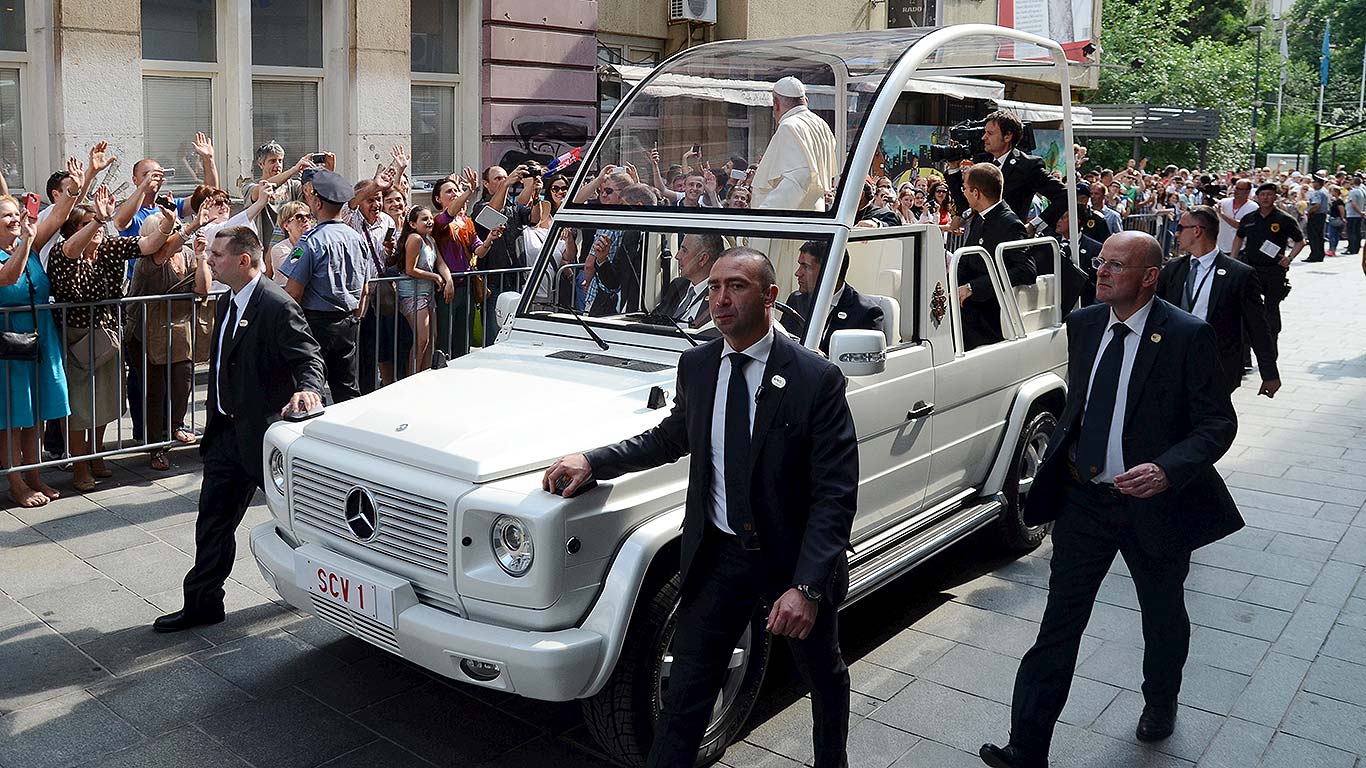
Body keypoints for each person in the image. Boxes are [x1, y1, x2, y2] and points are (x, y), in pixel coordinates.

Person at [542, 246, 858, 768]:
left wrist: (806, 587)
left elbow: (835, 493)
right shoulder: (698, 364)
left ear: (771, 296)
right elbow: (670, 438)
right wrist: (593, 461)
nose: (720, 298)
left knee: (823, 675)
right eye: (713, 287)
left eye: (737, 286)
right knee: (686, 693)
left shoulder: (813, 379)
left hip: (791, 560)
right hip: (718, 557)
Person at [979, 232, 1242, 768]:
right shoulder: (1084, 324)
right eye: (1100, 262)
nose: (1100, 272)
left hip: (1155, 507)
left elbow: (1218, 422)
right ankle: (1026, 748)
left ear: (1149, 277)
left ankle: (1160, 699)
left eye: (1115, 266)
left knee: (1163, 612)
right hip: (1085, 501)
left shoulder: (1188, 335)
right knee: (1059, 624)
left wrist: (1168, 470)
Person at [155, 225, 324, 633]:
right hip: (225, 435)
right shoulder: (230, 300)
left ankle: (330, 594)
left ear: (243, 260)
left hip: (265, 438)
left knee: (306, 523)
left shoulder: (275, 304)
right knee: (212, 520)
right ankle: (203, 603)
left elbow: (308, 358)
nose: (209, 259)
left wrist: (308, 390)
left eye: (217, 254)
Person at [50, 187, 171, 490]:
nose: (98, 228)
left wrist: (168, 223)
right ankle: (79, 468)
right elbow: (71, 251)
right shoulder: (63, 252)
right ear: (72, 230)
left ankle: (96, 454)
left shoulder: (108, 248)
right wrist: (98, 218)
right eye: (87, 224)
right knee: (79, 406)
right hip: (75, 336)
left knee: (104, 400)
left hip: (106, 334)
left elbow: (148, 244)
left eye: (99, 224)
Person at [1161, 206, 1280, 397]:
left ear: (1197, 230)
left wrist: (1269, 373)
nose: (1176, 233)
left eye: (1181, 227)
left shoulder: (1239, 274)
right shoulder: (1173, 269)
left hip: (1217, 366)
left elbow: (1257, 325)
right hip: (1175, 362)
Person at [129, 209, 213, 471]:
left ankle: (175, 425)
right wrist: (191, 225)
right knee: (155, 390)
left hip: (177, 330)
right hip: (145, 331)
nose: (178, 234)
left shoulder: (186, 254)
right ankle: (156, 447)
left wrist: (200, 257)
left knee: (183, 380)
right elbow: (162, 252)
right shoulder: (147, 261)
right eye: (170, 230)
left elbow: (203, 289)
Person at [281, 169, 373, 404]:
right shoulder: (357, 238)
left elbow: (292, 291)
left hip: (316, 323)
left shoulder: (309, 241)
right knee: (347, 389)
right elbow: (365, 288)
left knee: (311, 387)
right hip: (348, 322)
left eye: (311, 197)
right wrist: (355, 317)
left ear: (318, 202)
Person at [0, 198, 69, 507]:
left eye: (17, 213)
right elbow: (8, 278)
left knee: (35, 411)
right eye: (6, 216)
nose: (15, 219)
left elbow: (58, 216)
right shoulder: (21, 246)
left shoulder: (30, 242)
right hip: (8, 341)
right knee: (12, 416)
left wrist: (82, 183)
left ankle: (35, 475)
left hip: (39, 337)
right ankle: (16, 482)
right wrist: (27, 240)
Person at [946, 111, 1069, 231]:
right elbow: (966, 204)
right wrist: (954, 169)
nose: (984, 138)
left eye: (990, 133)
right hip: (978, 242)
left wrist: (1034, 226)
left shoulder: (1027, 166)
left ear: (1007, 136)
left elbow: (1064, 195)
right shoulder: (983, 163)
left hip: (1007, 242)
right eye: (984, 133)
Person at [958, 163, 1037, 350]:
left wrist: (973, 288)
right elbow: (968, 260)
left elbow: (1026, 270)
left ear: (976, 193)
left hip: (988, 318)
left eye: (965, 189)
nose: (964, 193)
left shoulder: (1010, 224)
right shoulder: (981, 217)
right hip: (967, 310)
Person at [1229, 183, 1306, 358]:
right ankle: (1245, 355)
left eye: (1270, 194)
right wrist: (1233, 260)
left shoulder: (1284, 219)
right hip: (1251, 269)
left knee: (1271, 310)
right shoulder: (1249, 218)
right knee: (1247, 309)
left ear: (1275, 197)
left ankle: (1270, 353)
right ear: (1257, 197)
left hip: (1274, 271)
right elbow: (1238, 238)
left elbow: (1300, 241)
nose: (1266, 198)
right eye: (1262, 194)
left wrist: (1290, 258)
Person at [471, 164, 539, 342]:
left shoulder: (513, 206)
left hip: (515, 277)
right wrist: (507, 184)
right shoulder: (480, 208)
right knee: (494, 333)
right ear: (486, 184)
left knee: (516, 332)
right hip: (493, 282)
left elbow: (534, 218)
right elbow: (493, 212)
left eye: (504, 177)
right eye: (497, 179)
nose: (502, 181)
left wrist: (535, 191)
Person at [749, 77, 840, 211]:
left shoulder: (789, 126)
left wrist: (766, 215)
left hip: (790, 222)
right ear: (805, 101)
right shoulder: (821, 124)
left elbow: (800, 177)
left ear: (776, 104)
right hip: (811, 214)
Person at [780, 240, 884, 352]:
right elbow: (781, 345)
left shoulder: (866, 313)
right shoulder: (796, 300)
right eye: (800, 265)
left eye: (806, 267)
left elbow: (864, 365)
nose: (798, 273)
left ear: (830, 270)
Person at [112, 134, 219, 237]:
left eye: (156, 174)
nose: (152, 178)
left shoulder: (168, 205)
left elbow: (209, 196)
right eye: (146, 174)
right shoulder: (131, 210)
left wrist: (208, 160)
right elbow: (120, 222)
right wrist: (144, 187)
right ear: (135, 180)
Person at [394, 205, 453, 373]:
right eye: (424, 219)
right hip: (412, 294)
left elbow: (440, 263)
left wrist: (448, 280)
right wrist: (434, 277)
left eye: (430, 218)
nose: (429, 222)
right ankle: (412, 377)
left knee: (431, 339)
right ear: (413, 224)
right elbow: (410, 269)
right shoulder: (415, 238)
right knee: (422, 339)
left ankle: (424, 374)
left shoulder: (431, 240)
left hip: (427, 293)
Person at [239, 141, 316, 252]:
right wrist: (294, 169)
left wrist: (317, 173)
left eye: (280, 161)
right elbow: (261, 190)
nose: (278, 165)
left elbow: (312, 200)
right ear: (261, 164)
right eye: (272, 161)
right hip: (262, 249)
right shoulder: (249, 185)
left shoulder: (293, 185)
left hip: (290, 248)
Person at [655, 233, 724, 327]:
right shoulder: (677, 285)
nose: (677, 256)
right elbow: (654, 320)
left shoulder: (720, 296)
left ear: (703, 259)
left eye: (684, 250)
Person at [266, 201, 313, 287]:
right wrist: (304, 241)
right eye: (299, 217)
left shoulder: (315, 244)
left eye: (308, 216)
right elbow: (294, 270)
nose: (306, 220)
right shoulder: (279, 249)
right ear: (286, 225)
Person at [1215, 179, 1258, 256]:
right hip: (1220, 247)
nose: (1236, 191)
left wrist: (1222, 214)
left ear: (1248, 191)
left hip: (1240, 249)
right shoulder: (1223, 202)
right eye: (1235, 188)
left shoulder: (1253, 207)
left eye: (1239, 189)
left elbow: (1241, 226)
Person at [1303, 174, 1330, 262]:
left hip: (1316, 215)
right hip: (1322, 215)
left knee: (1313, 236)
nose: (1313, 184)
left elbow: (1316, 205)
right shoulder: (1325, 191)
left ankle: (1314, 255)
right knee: (1319, 236)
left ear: (1318, 183)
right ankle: (1320, 254)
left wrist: (1309, 212)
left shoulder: (1318, 192)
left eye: (1314, 182)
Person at [1346, 174, 1366, 256]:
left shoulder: (1353, 191)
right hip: (1358, 215)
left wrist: (1359, 211)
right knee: (1357, 232)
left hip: (1352, 214)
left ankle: (1352, 249)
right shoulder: (1362, 191)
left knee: (1351, 232)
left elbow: (1353, 203)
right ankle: (1356, 247)